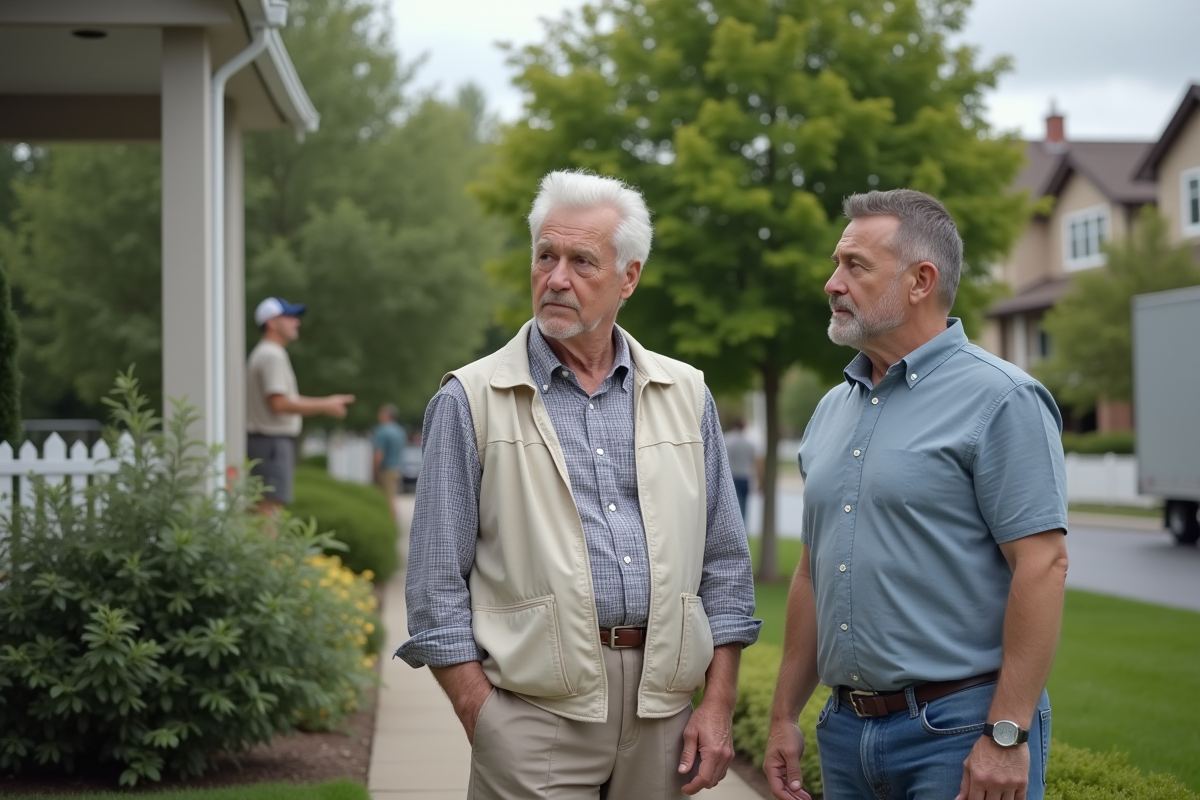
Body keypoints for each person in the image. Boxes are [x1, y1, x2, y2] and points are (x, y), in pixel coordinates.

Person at [395, 170, 760, 799]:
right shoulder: (469, 399)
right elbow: (433, 582)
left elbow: (725, 564)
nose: (557, 277)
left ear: (629, 277)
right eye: (546, 256)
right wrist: (479, 713)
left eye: (582, 261)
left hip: (663, 715)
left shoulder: (687, 393)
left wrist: (718, 703)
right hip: (531, 716)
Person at [763, 189, 1069, 800]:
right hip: (846, 733)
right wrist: (782, 716)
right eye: (836, 263)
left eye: (855, 266)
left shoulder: (1003, 399)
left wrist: (1006, 735)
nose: (832, 283)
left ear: (920, 281)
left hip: (959, 734)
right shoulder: (830, 409)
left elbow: (1042, 563)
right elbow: (811, 573)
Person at [246, 297, 356, 512]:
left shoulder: (266, 353)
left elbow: (282, 401)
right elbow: (279, 404)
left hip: (265, 444)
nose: (296, 322)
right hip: (271, 444)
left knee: (263, 511)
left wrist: (326, 403)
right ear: (271, 323)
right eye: (289, 317)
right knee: (269, 513)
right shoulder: (272, 355)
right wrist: (325, 404)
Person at [372, 403, 406, 525]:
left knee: (387, 499)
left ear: (387, 415)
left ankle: (390, 524)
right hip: (397, 468)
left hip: (386, 469)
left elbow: (378, 454)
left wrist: (374, 470)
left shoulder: (382, 431)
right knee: (392, 497)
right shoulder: (400, 430)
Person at [723, 418, 759, 525]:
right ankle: (742, 528)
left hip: (732, 476)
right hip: (745, 476)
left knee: (732, 506)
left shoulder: (727, 440)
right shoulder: (749, 443)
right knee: (743, 506)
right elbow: (755, 461)